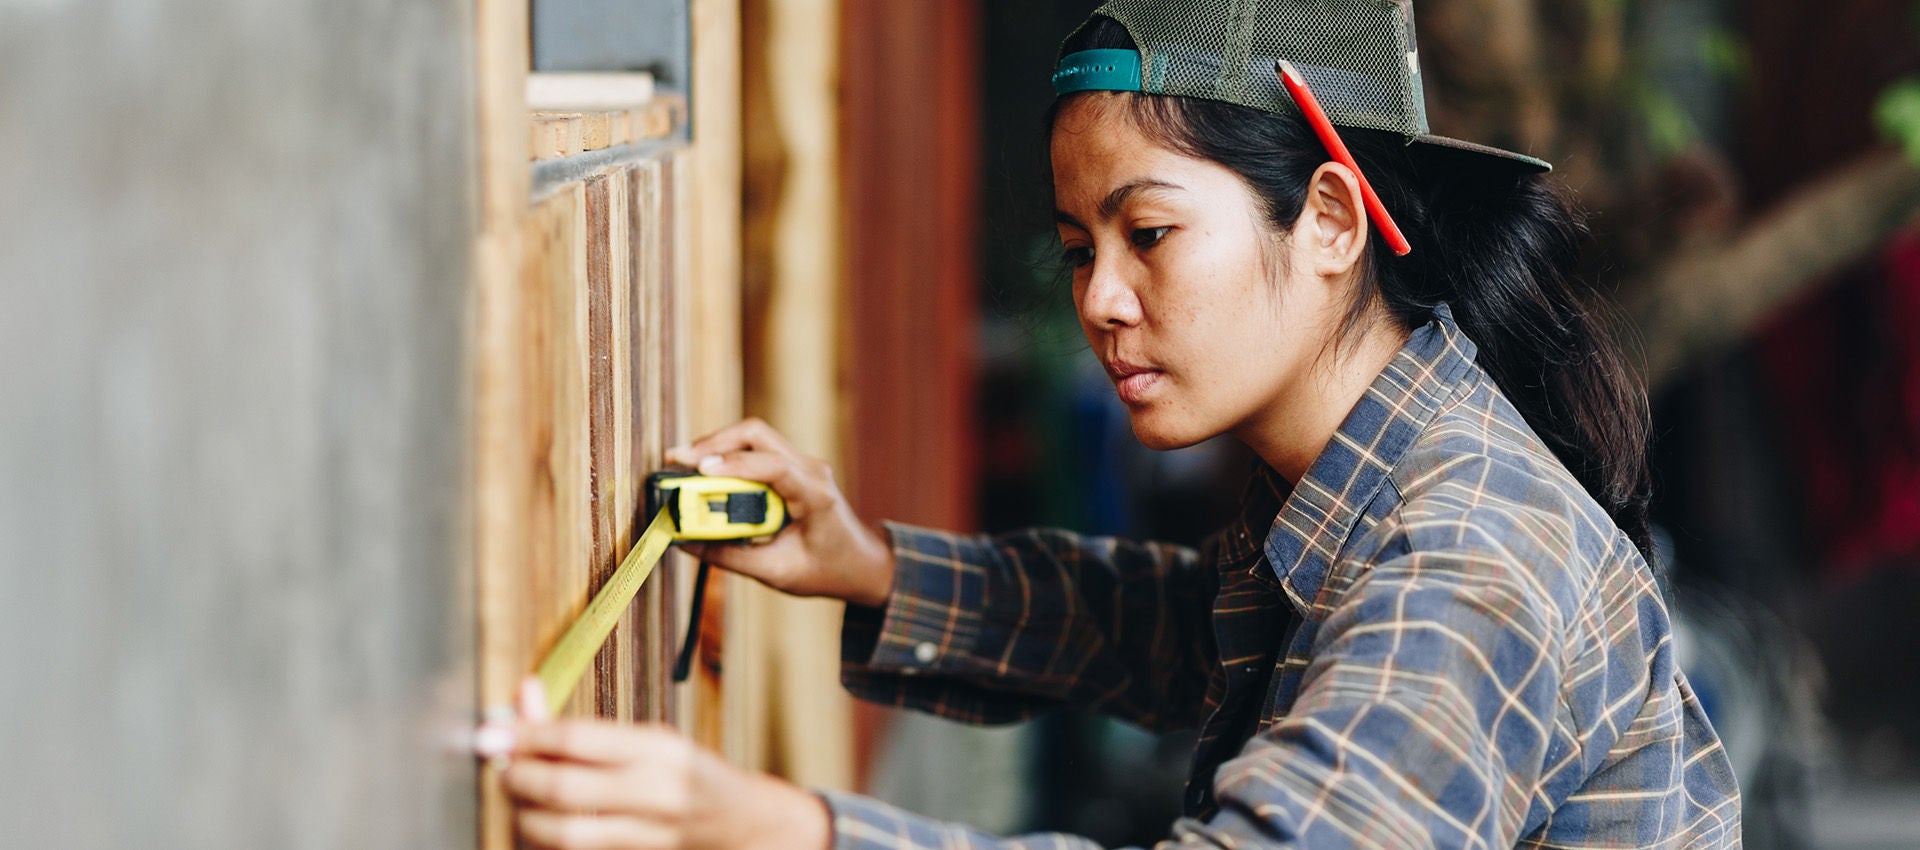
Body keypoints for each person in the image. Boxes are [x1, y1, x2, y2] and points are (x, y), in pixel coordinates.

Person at [473, 1, 1744, 847]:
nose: (1101, 300)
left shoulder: (1465, 564)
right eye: (1080, 249)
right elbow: (1183, 630)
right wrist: (864, 559)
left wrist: (784, 827)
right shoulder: (1375, 463)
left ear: (1332, 221)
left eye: (1149, 235)